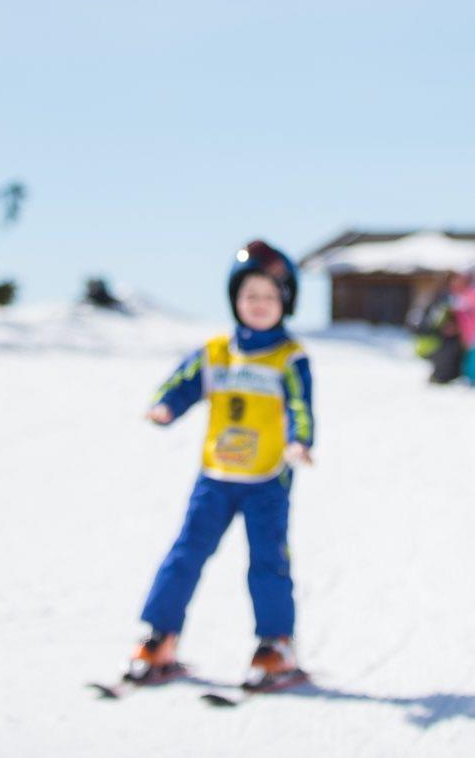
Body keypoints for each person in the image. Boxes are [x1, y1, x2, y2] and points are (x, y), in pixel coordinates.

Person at [126, 240, 314, 692]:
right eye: (249, 296)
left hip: (268, 479)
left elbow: (301, 406)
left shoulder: (289, 357)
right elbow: (182, 383)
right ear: (235, 300)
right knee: (186, 554)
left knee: (268, 561)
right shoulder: (216, 352)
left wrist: (299, 441)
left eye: (269, 297)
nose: (258, 305)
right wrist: (165, 406)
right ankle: (160, 637)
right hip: (216, 478)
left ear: (285, 302)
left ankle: (276, 645)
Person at [415, 284, 464, 386]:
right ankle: (439, 378)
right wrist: (444, 330)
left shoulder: (444, 309)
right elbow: (430, 326)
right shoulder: (438, 309)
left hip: (441, 342)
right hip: (433, 343)